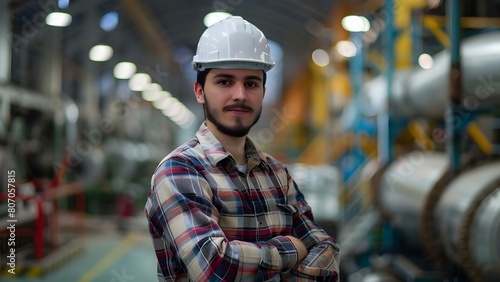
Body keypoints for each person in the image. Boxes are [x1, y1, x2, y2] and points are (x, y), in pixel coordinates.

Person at [145, 16, 340, 281]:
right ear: (200, 91)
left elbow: (325, 248)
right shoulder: (178, 171)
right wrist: (289, 251)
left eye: (251, 83)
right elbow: (214, 269)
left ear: (262, 91)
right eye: (225, 82)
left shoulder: (277, 173)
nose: (240, 94)